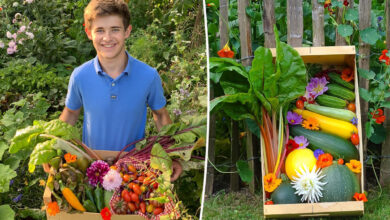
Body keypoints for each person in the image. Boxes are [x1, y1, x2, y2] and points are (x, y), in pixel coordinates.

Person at [46, 0, 181, 180]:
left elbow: (161, 115)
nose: (107, 38)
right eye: (100, 30)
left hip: (134, 171)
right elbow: (70, 113)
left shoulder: (148, 76)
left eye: (115, 29)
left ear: (127, 31)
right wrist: (51, 148)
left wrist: (173, 155)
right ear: (89, 33)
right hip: (92, 168)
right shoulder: (80, 76)